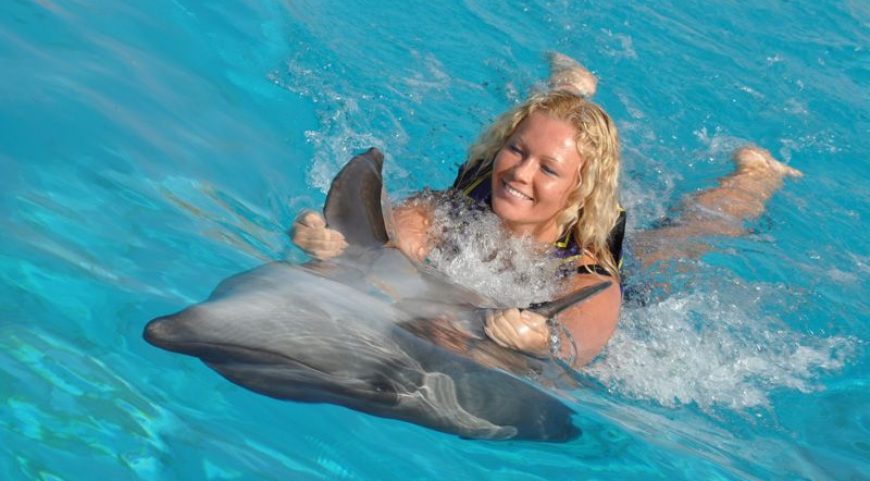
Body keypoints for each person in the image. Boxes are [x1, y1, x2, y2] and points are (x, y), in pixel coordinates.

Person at [292, 53, 801, 368]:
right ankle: (570, 89)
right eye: (514, 151)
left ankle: (756, 177)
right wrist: (332, 246)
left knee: (674, 243)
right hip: (523, 198)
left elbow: (577, 342)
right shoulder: (458, 205)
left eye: (548, 171)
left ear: (577, 191)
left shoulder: (586, 273)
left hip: (580, 241)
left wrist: (543, 340)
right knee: (550, 126)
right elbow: (381, 242)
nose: (518, 173)